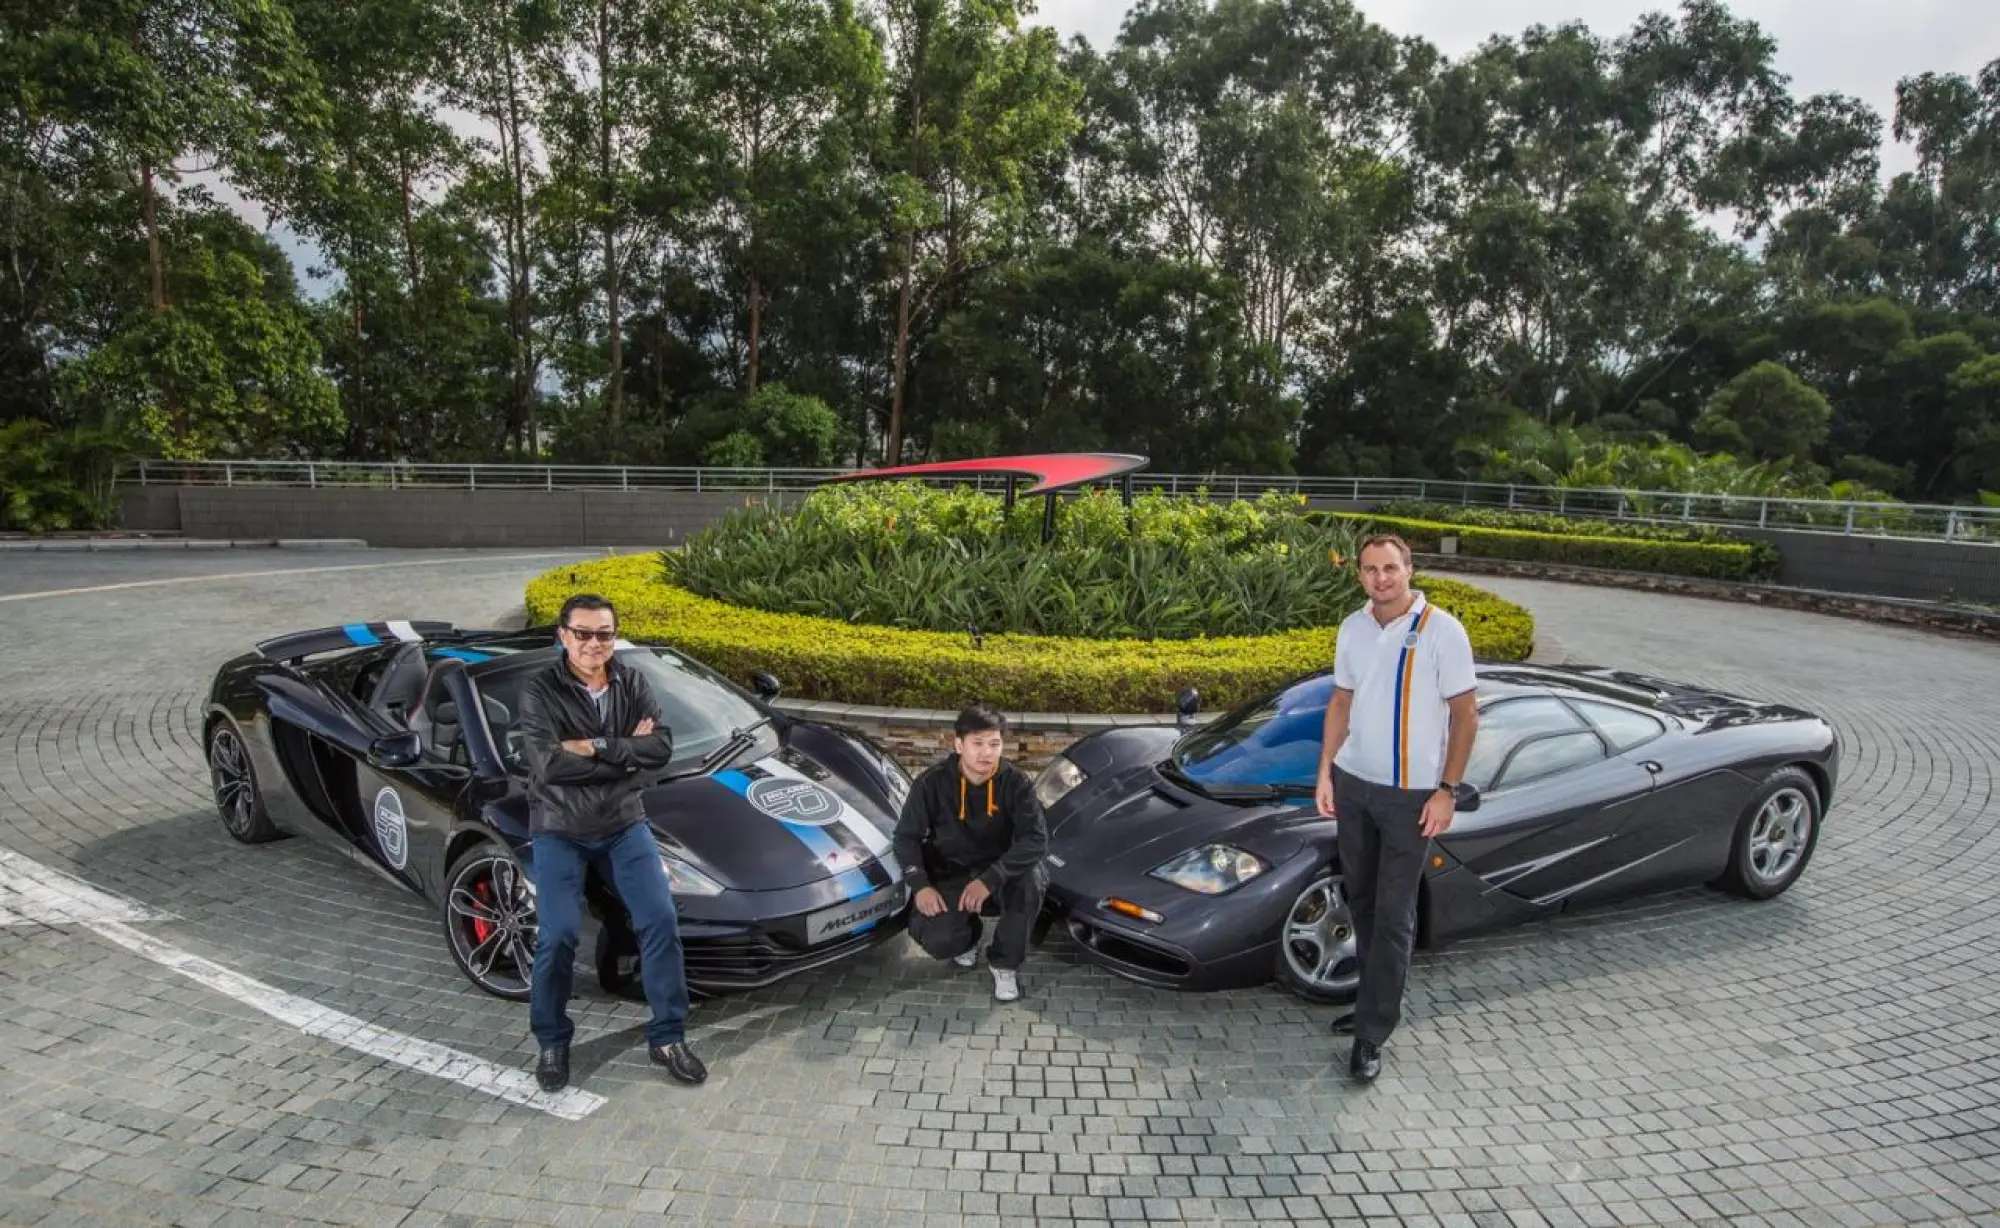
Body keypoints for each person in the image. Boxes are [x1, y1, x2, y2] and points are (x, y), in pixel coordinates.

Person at [516, 593, 707, 1091]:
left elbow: (660, 748)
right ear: (563, 635)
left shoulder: (632, 680)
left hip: (624, 824)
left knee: (660, 920)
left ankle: (667, 1036)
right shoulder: (539, 691)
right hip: (560, 829)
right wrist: (626, 754)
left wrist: (596, 746)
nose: (594, 643)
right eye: (583, 633)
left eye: (604, 633)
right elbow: (549, 765)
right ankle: (552, 1041)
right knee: (556, 935)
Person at [1312, 533, 1479, 1083]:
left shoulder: (1442, 631)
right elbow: (1341, 701)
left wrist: (1446, 791)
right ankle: (1370, 1004)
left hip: (1411, 798)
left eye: (1390, 568)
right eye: (1369, 569)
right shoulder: (1353, 627)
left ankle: (1371, 1033)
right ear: (1359, 575)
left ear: (1409, 569)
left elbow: (1466, 716)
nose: (1380, 578)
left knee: (1392, 913)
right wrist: (1326, 772)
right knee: (1359, 898)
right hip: (1355, 785)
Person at [891, 702, 1049, 1002]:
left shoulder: (1016, 783)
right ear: (958, 744)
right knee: (939, 939)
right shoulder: (932, 782)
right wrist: (920, 885)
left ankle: (1004, 963)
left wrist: (991, 879)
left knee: (1033, 878)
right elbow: (905, 838)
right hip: (952, 871)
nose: (986, 753)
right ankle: (966, 938)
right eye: (977, 744)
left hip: (1000, 873)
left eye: (994, 744)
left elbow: (1035, 839)